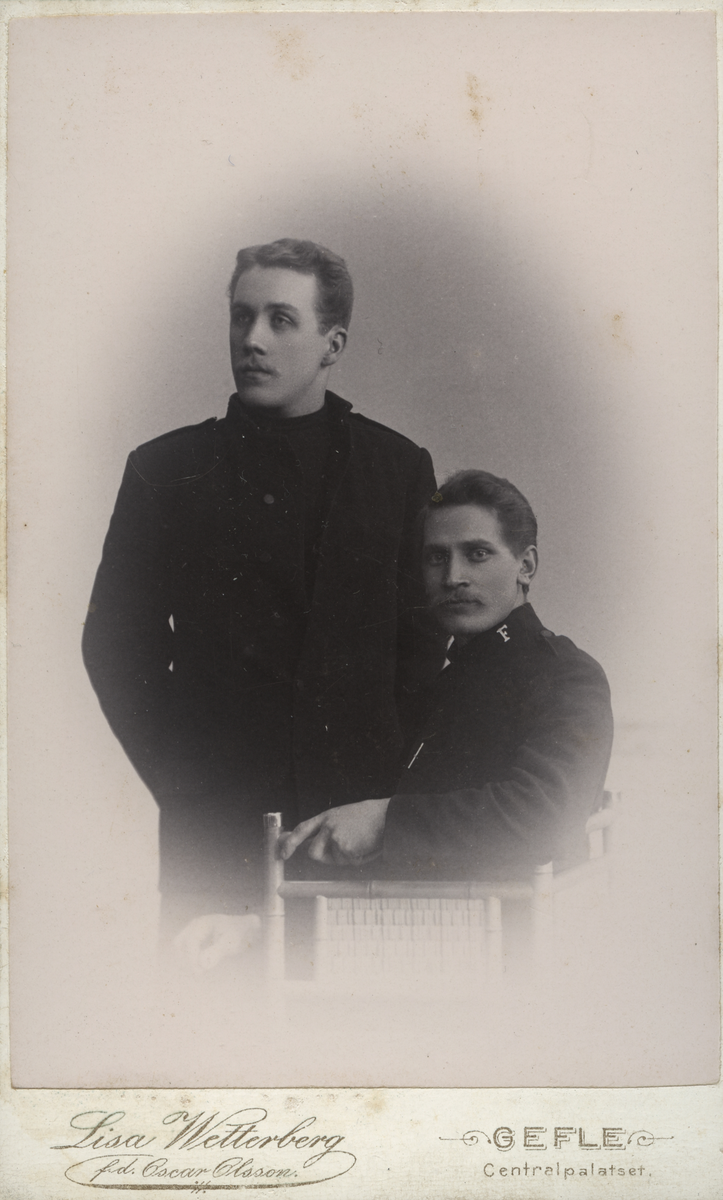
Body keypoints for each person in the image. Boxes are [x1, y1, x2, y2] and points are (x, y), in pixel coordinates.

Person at [82, 238, 439, 969]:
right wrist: (186, 780)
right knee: (213, 1018)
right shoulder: (164, 469)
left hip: (349, 824)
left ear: (332, 343)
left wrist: (376, 779)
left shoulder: (397, 469)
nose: (252, 339)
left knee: (356, 1016)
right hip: (214, 834)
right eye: (241, 317)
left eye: (281, 319)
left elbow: (422, 643)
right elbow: (114, 644)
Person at [280, 470, 614, 880]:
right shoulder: (442, 686)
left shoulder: (568, 676)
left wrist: (385, 823)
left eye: (477, 554)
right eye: (436, 557)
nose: (453, 577)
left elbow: (546, 818)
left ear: (526, 566)